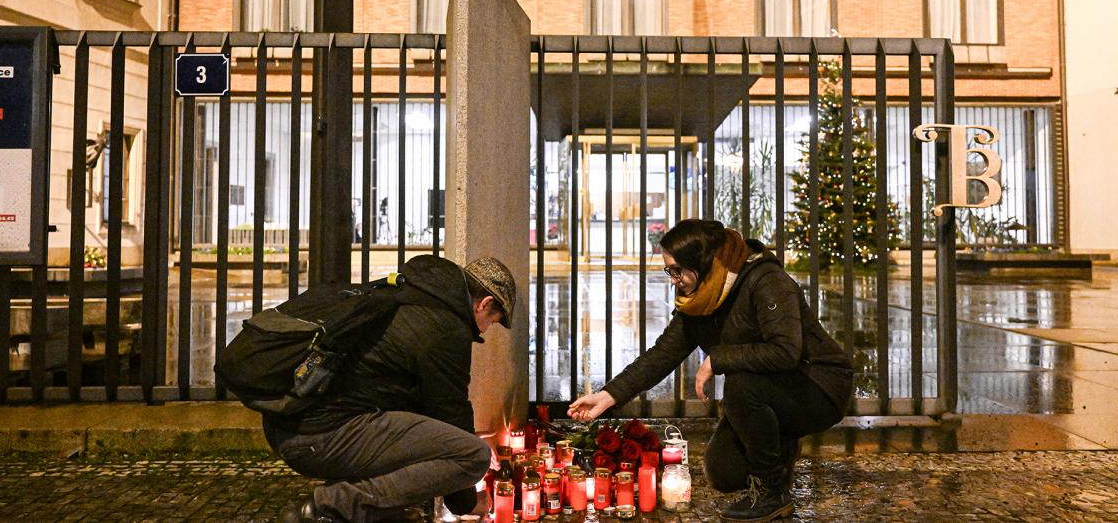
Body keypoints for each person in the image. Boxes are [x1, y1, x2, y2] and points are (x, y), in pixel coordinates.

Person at [569, 219, 854, 521]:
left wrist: (717, 359)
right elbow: (663, 353)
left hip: (818, 386)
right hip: (772, 388)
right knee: (724, 472)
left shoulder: (766, 280)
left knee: (741, 384)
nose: (672, 279)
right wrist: (608, 395)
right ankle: (779, 443)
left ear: (702, 262)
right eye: (669, 270)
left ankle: (772, 493)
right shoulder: (701, 299)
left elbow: (786, 351)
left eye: (677, 270)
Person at [269, 255, 517, 523]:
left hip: (288, 424)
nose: (488, 328)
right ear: (485, 303)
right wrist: (467, 503)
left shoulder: (410, 296)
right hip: (316, 437)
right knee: (473, 456)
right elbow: (451, 414)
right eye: (493, 321)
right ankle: (330, 507)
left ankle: (371, 508)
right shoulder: (446, 328)